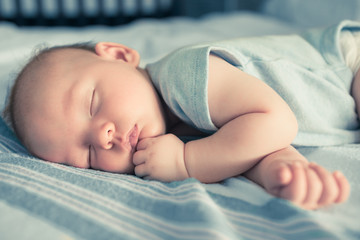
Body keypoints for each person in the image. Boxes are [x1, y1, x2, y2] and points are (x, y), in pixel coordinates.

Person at [4, 21, 357, 210]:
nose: (103, 135)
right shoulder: (168, 133)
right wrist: (285, 172)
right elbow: (245, 145)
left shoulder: (184, 76)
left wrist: (189, 161)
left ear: (119, 55)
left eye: (93, 103)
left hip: (346, 60)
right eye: (87, 155)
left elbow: (275, 121)